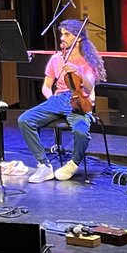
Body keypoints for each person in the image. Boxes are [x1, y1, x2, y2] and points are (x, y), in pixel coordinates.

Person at [18, 18, 106, 183]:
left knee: (81, 132)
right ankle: (44, 165)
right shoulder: (57, 58)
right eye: (61, 34)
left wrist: (79, 71)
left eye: (66, 34)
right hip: (58, 98)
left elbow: (89, 86)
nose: (62, 38)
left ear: (78, 37)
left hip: (79, 100)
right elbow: (46, 86)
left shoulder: (88, 60)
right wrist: (51, 100)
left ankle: (73, 163)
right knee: (25, 120)